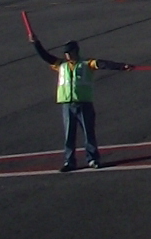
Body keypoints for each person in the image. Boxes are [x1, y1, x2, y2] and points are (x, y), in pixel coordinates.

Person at [32, 38, 133, 171]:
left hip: (84, 103)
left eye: (69, 52)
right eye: (66, 53)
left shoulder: (86, 64)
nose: (67, 55)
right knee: (69, 135)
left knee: (88, 133)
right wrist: (36, 43)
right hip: (67, 104)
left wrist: (121, 66)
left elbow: (103, 64)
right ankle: (69, 161)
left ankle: (93, 159)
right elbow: (45, 56)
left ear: (76, 51)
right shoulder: (61, 65)